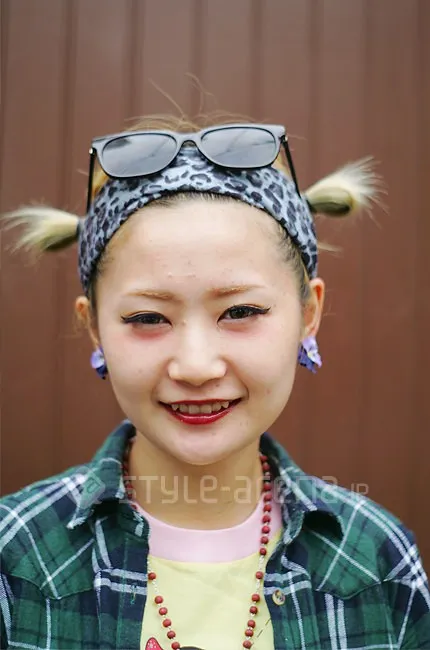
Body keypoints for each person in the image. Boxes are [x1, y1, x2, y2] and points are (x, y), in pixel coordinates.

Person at [1, 117, 429, 650]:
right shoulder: (15, 560)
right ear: (94, 328)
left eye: (241, 311)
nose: (197, 366)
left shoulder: (378, 563)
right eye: (148, 318)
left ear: (308, 314)